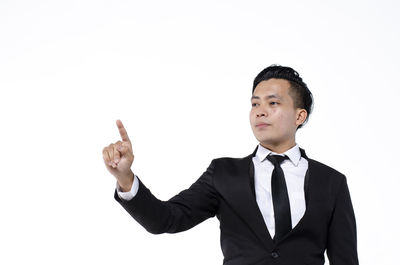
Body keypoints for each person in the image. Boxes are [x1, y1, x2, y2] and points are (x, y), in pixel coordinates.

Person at [102, 65, 359, 265]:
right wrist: (126, 178)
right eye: (255, 103)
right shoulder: (223, 174)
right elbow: (165, 220)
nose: (260, 111)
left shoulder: (331, 182)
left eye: (273, 103)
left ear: (299, 116)